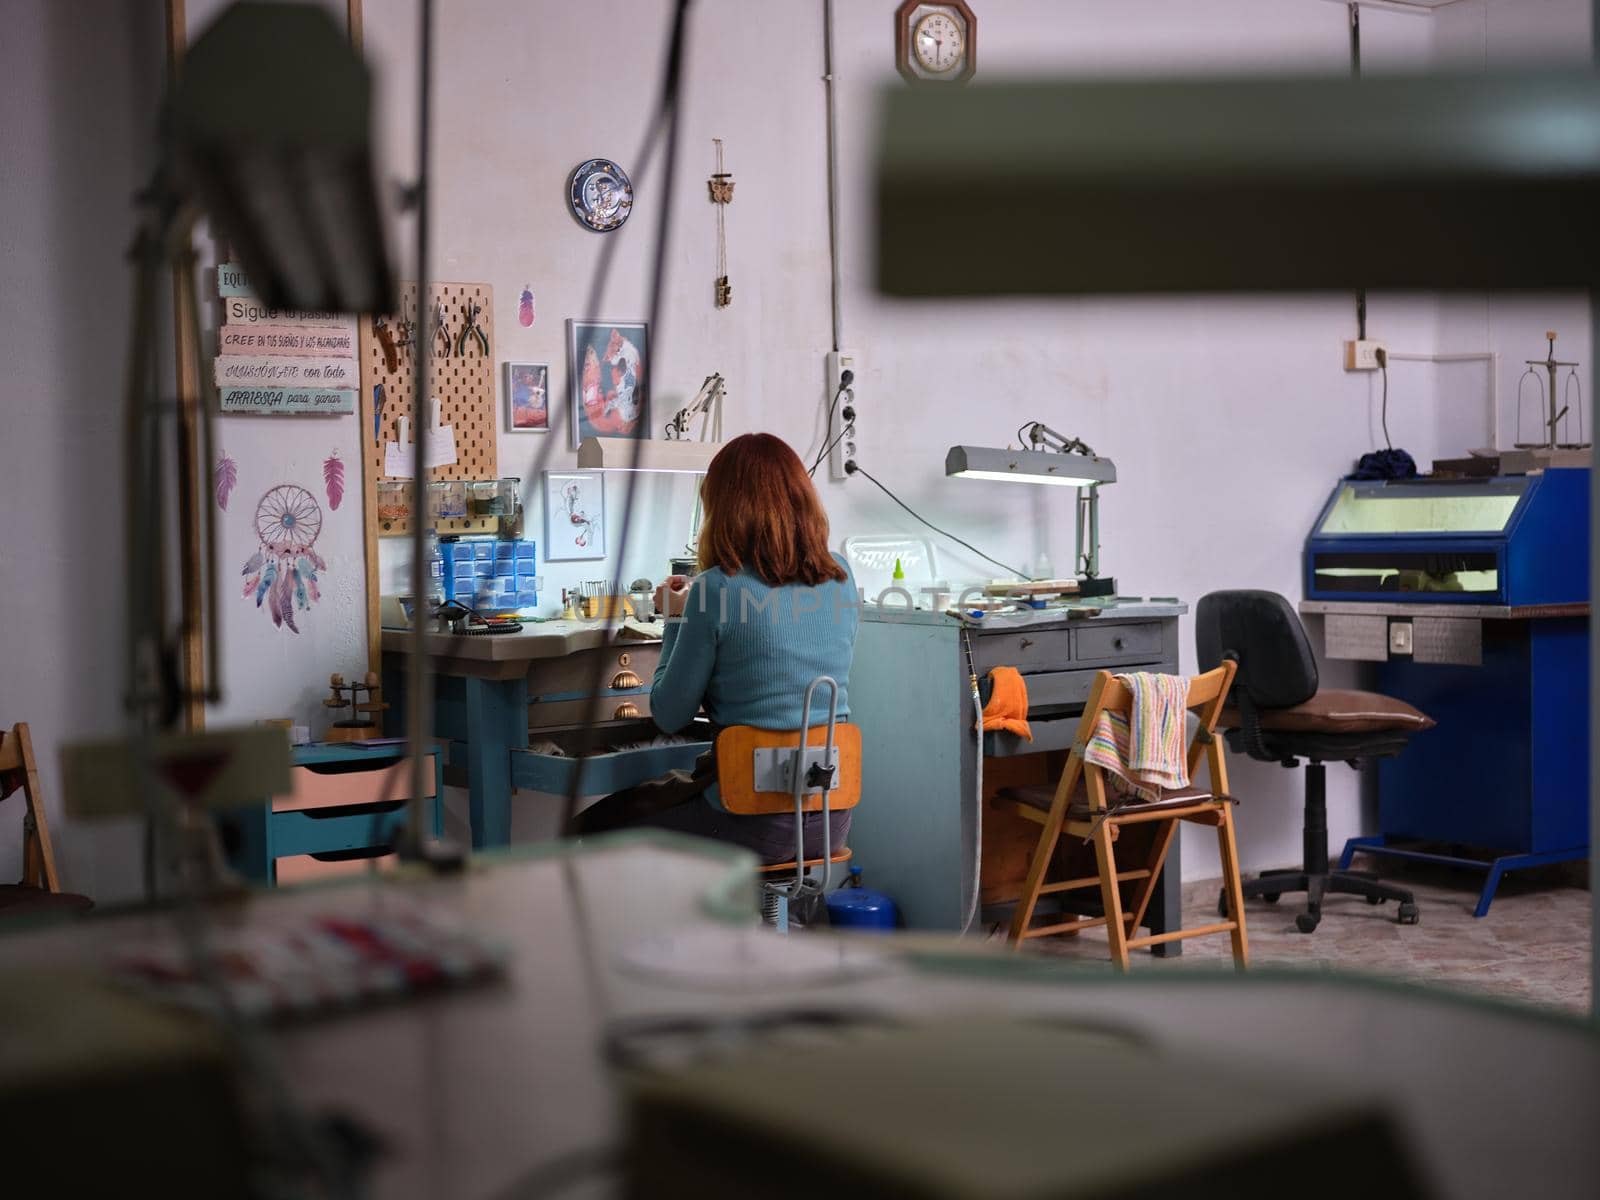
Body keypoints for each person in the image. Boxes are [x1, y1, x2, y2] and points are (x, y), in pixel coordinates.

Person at [574, 432, 858, 863]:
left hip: (751, 822)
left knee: (589, 829)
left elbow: (670, 715)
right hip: (830, 820)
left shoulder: (713, 589)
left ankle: (666, 932)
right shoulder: (842, 578)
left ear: (724, 508)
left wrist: (674, 616)